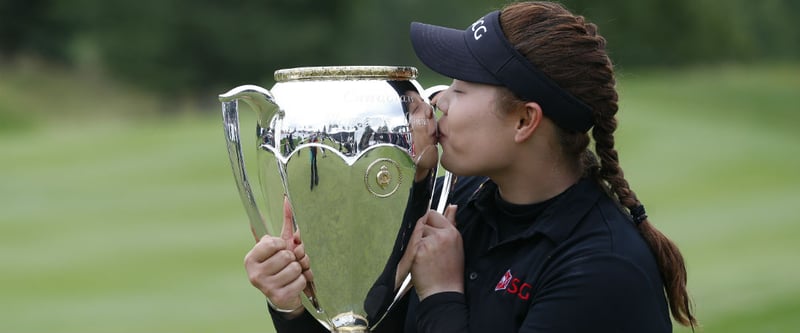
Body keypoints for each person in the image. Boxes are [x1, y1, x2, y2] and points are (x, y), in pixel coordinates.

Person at [243, 1, 697, 332]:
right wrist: (293, 308)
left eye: (460, 90)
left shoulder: (603, 270)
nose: (438, 100)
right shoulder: (459, 202)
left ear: (524, 120)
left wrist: (442, 295)